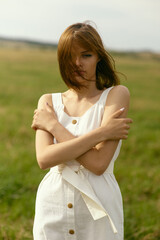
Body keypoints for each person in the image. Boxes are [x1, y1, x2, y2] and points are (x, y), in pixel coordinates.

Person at [31, 21, 132, 240]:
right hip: (52, 205)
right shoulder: (48, 101)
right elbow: (44, 159)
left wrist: (54, 127)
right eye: (70, 56)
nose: (77, 63)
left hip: (98, 210)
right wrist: (101, 133)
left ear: (99, 58)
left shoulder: (116, 96)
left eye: (86, 55)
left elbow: (98, 164)